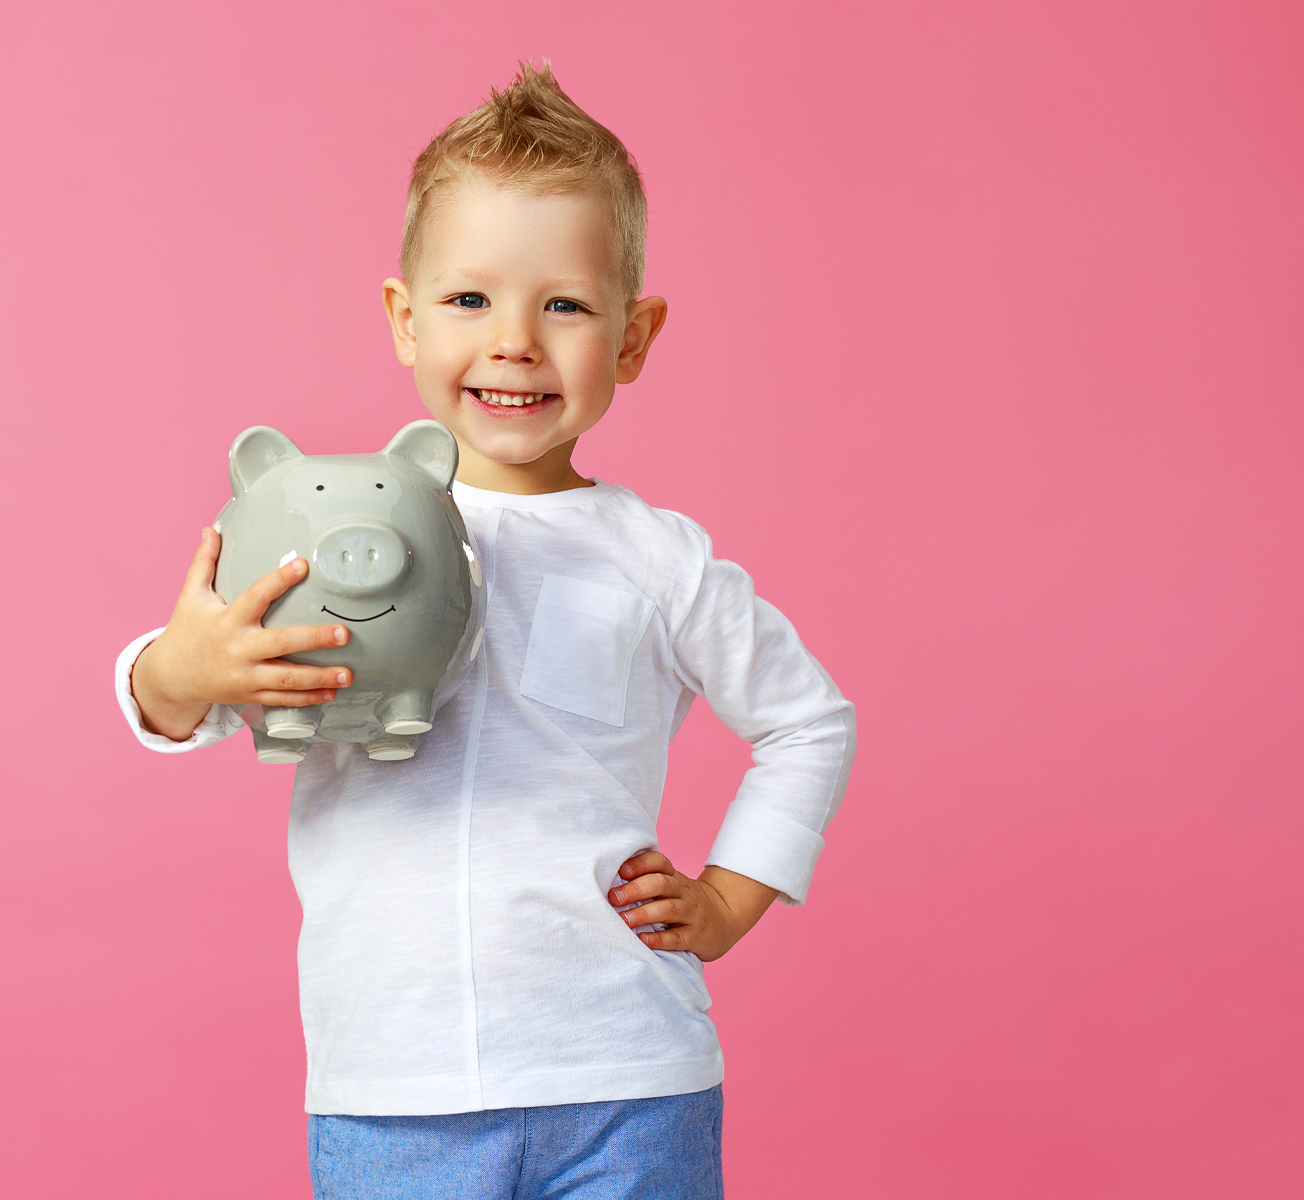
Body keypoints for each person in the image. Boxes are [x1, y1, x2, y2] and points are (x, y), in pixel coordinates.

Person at [114, 63, 854, 1200]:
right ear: (404, 322)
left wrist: (729, 897)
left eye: (562, 304)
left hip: (627, 1078)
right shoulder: (321, 518)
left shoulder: (659, 560)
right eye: (468, 301)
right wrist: (185, 668)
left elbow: (809, 723)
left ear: (635, 335)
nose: (513, 341)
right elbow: (169, 699)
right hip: (393, 1091)